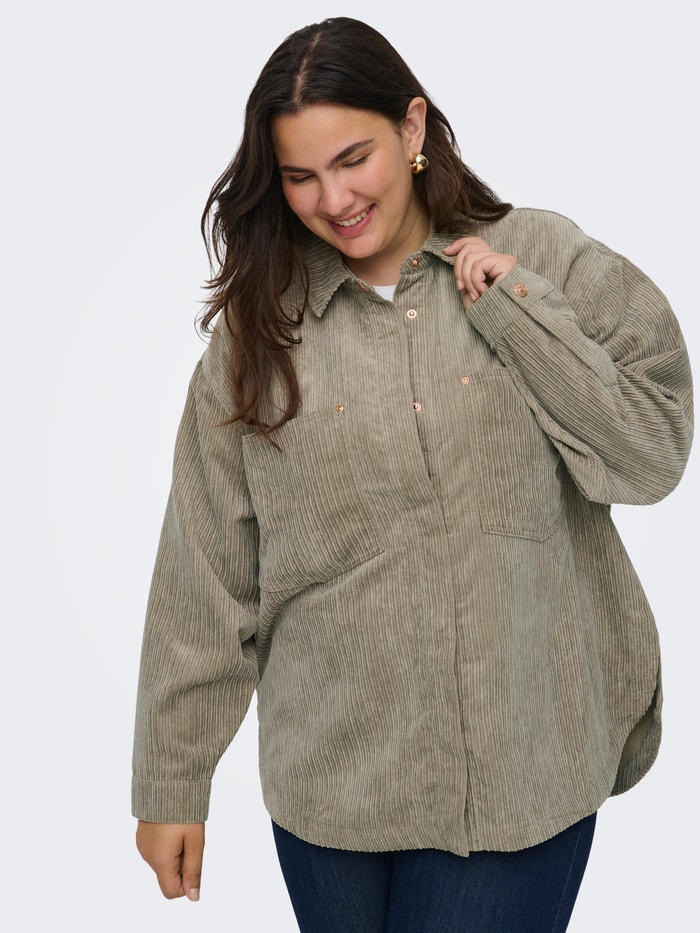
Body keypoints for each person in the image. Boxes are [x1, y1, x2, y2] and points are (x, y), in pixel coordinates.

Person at [132, 16, 693, 932]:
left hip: (520, 773)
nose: (334, 199)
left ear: (413, 126)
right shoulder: (258, 332)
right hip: (330, 794)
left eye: (353, 159)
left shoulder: (546, 256)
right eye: (301, 176)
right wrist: (172, 779)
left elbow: (652, 453)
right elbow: (207, 570)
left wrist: (519, 312)